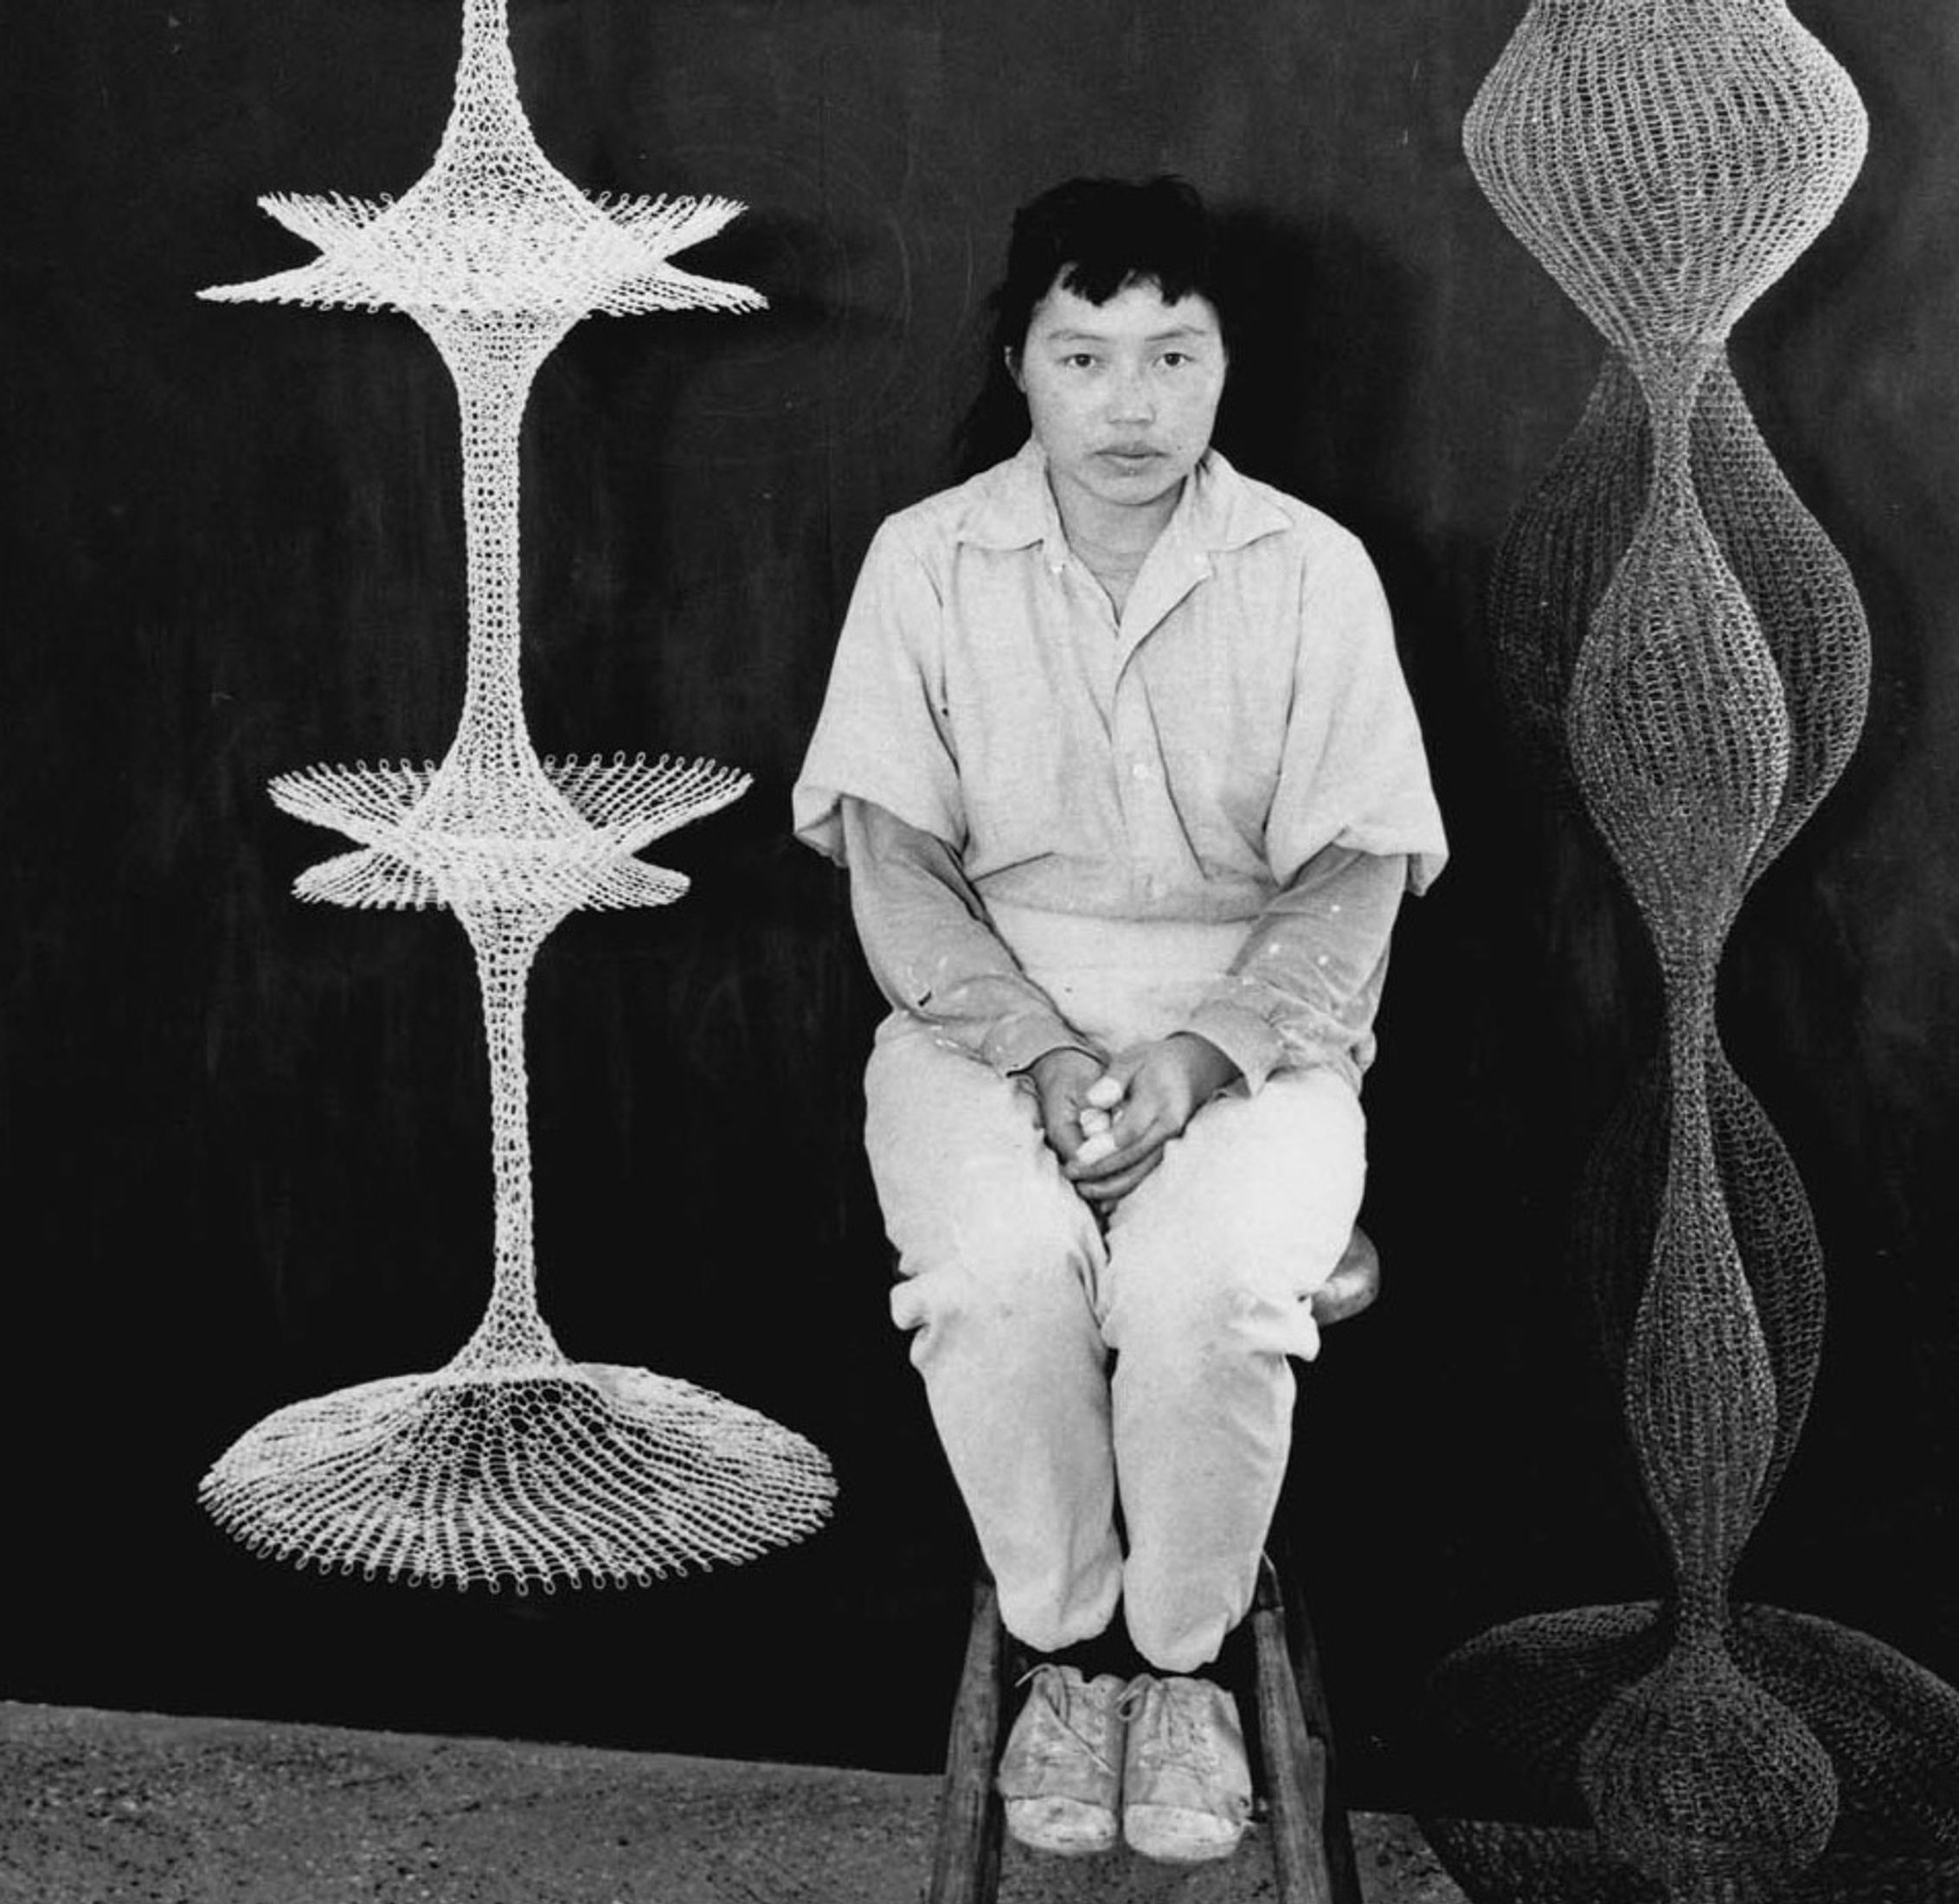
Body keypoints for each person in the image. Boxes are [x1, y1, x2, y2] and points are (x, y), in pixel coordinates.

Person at [791, 176, 1447, 1862]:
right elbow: (897, 861)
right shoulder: (924, 566)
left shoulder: (1312, 573)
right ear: (1020, 358)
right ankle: (1067, 1651)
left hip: (1257, 1035)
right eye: (1087, 356)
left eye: (1175, 354)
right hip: (980, 1021)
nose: (1131, 405)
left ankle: (1184, 1664)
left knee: (1212, 1290)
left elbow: (1358, 872)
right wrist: (1048, 1051)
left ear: (1229, 368)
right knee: (998, 1276)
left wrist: (1199, 1056)